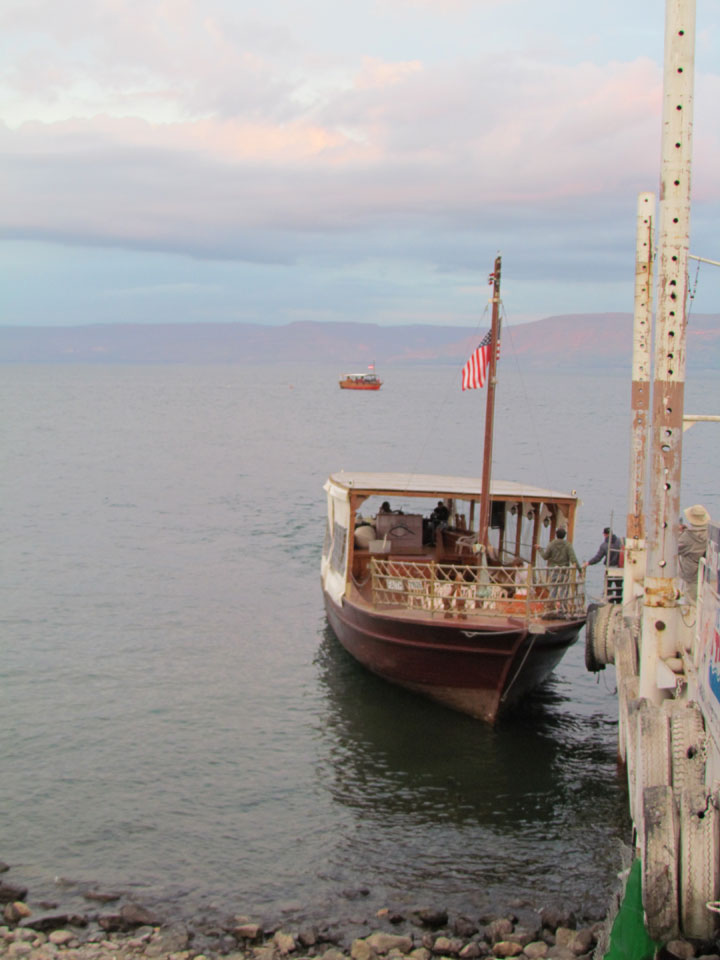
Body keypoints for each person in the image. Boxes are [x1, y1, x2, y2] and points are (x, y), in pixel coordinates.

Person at [678, 504, 709, 602]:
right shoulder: (709, 533)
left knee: (691, 602)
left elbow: (675, 548)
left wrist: (679, 533)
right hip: (706, 574)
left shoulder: (687, 536)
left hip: (691, 575)